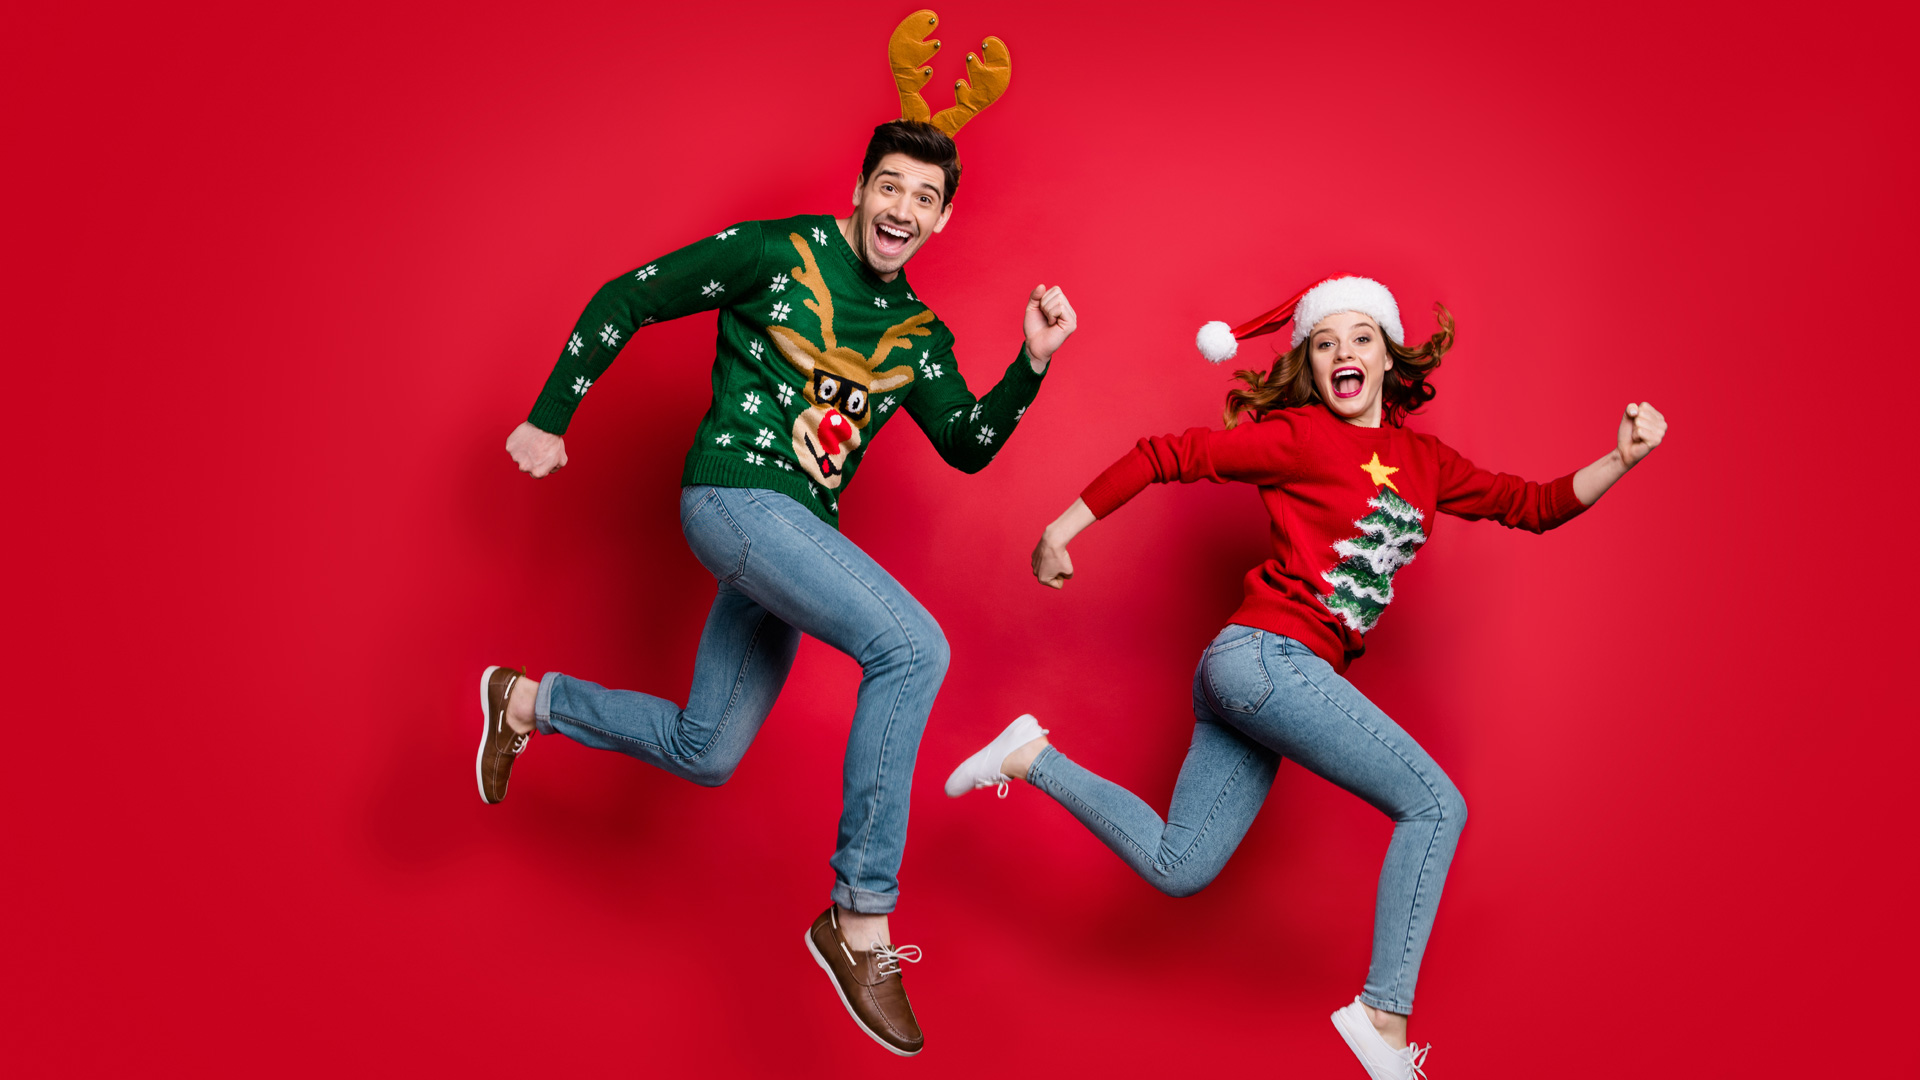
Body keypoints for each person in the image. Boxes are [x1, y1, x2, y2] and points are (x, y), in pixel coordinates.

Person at [477, 13, 1073, 1057]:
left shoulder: (922, 336)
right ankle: (859, 919)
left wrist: (1030, 361)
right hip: (736, 499)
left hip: (794, 535)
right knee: (914, 645)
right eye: (891, 186)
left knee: (708, 750)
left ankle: (525, 701)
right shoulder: (776, 250)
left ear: (940, 222)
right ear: (861, 189)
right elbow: (632, 295)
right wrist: (549, 417)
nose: (904, 208)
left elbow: (970, 445)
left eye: (926, 199)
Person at [944, 274, 1666, 1079]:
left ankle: (1028, 755)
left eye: (1360, 338)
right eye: (1325, 344)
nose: (1343, 354)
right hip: (1264, 660)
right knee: (1434, 805)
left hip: (1255, 680)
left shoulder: (1426, 463)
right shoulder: (1299, 439)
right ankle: (1382, 1018)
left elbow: (1531, 504)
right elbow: (1166, 454)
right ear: (1312, 366)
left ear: (1390, 356)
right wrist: (1059, 529)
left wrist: (1621, 459)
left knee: (1179, 867)